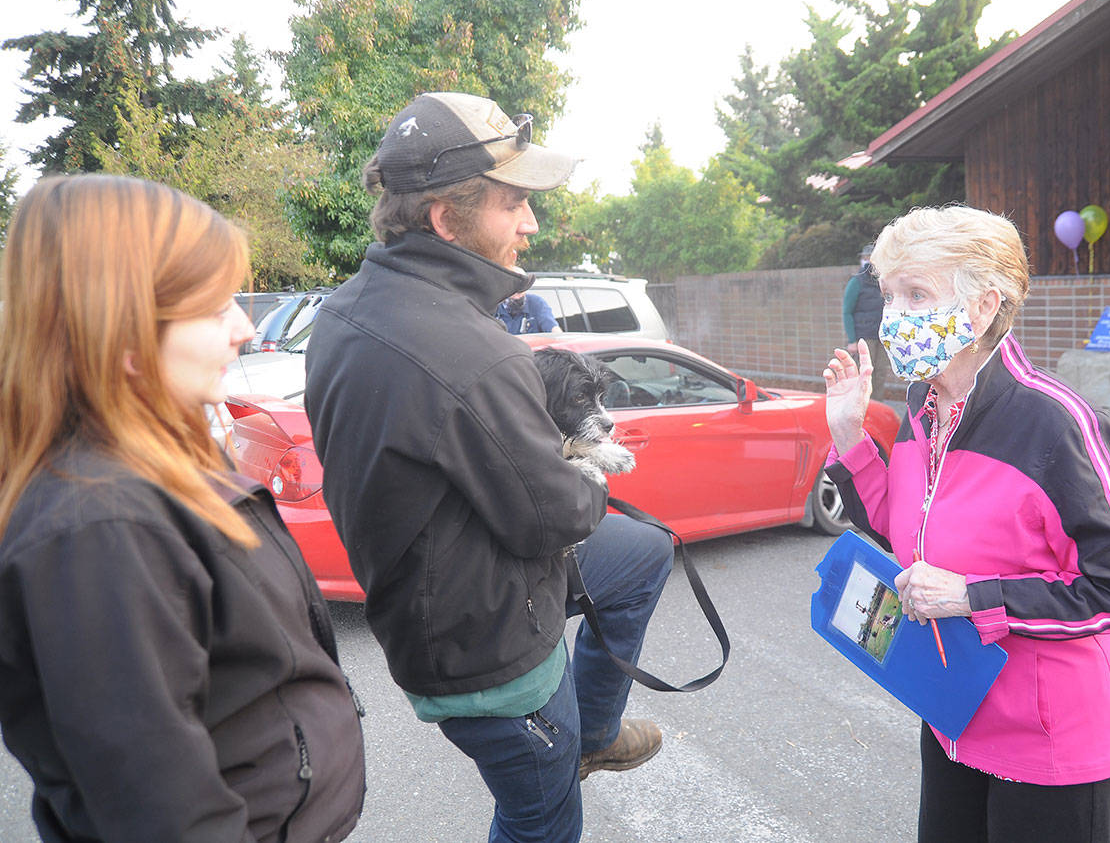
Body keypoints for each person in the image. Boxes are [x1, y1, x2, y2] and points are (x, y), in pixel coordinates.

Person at [303, 92, 672, 843]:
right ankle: (574, 746)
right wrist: (590, 472)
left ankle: (595, 731)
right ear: (447, 219)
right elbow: (556, 517)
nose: (531, 224)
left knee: (644, 553)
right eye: (514, 205)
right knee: (540, 815)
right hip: (485, 648)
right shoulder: (476, 354)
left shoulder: (344, 311)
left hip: (438, 585)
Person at [0, 175, 366, 842]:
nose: (246, 327)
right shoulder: (99, 531)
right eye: (214, 304)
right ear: (122, 321)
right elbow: (166, 815)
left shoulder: (157, 455)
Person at [821, 205, 1110, 843]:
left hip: (1051, 743)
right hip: (954, 714)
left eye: (916, 294)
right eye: (890, 295)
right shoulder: (922, 411)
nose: (894, 315)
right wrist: (850, 438)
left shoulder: (1056, 423)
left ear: (981, 308)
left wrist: (972, 597)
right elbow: (907, 538)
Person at [842, 242, 887, 397]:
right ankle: (864, 406)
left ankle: (878, 405)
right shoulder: (857, 281)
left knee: (881, 372)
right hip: (864, 336)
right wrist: (852, 340)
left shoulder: (884, 280)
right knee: (866, 373)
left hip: (881, 335)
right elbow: (847, 311)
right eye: (866, 257)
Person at [497, 288, 563, 334]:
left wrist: (560, 342)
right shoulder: (494, 306)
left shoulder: (536, 303)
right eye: (513, 293)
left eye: (520, 292)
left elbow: (551, 327)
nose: (517, 297)